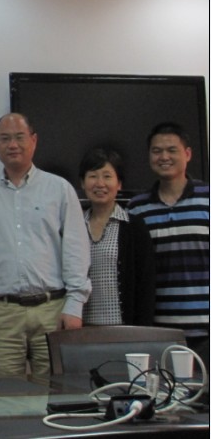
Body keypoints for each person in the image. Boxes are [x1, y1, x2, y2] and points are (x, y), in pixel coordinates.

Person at [0, 113, 90, 376]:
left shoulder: (59, 189)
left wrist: (74, 305)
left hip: (52, 310)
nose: (12, 145)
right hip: (1, 313)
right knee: (4, 395)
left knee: (56, 392)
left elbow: (76, 250)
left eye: (19, 137)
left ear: (33, 140)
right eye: (4, 139)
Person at [128, 122, 209, 363]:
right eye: (157, 151)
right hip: (159, 331)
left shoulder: (207, 198)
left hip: (206, 328)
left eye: (172, 150)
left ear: (188, 154)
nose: (164, 157)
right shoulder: (137, 207)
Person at [79, 148, 154, 326]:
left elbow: (146, 285)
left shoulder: (134, 227)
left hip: (123, 328)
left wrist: (142, 331)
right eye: (93, 176)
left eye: (107, 176)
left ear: (119, 183)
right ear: (82, 183)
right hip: (81, 329)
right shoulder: (74, 226)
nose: (100, 183)